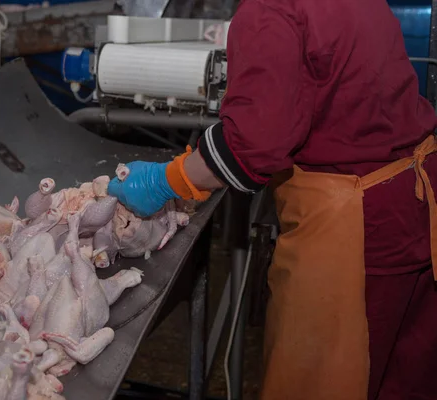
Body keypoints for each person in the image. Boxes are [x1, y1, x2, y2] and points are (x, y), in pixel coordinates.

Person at [107, 0, 437, 399]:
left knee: (321, 384)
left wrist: (166, 180)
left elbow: (251, 149)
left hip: (354, 231)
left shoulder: (272, 9)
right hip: (414, 202)